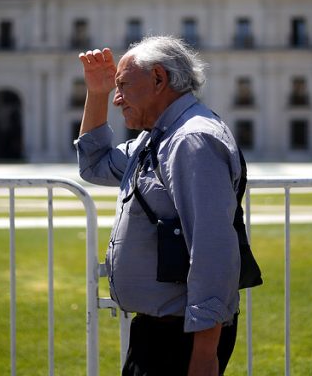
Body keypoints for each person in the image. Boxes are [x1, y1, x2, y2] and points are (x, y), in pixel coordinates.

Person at [75, 35, 243, 376]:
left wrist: (204, 356)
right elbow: (93, 164)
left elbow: (213, 252)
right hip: (158, 330)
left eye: (122, 86)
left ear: (158, 79)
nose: (118, 99)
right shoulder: (159, 137)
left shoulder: (190, 140)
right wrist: (98, 92)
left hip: (181, 338)